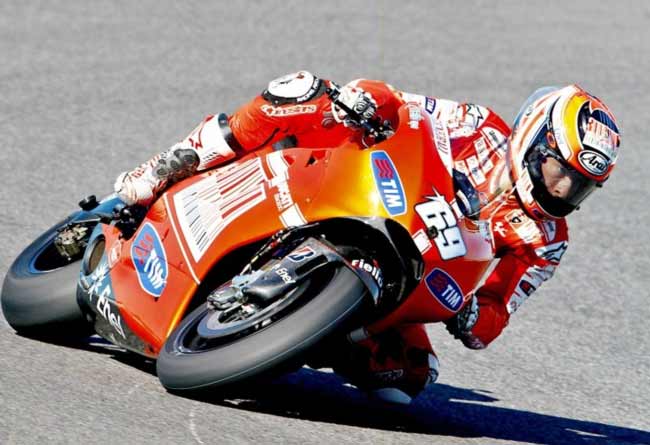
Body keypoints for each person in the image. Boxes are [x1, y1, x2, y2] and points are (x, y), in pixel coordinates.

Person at [114, 71, 621, 403]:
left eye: (581, 187)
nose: (564, 190)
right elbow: (400, 106)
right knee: (300, 90)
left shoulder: (546, 240)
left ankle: (301, 330)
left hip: (410, 281)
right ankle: (173, 164)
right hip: (363, 191)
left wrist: (469, 313)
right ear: (535, 139)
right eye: (560, 171)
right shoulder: (476, 126)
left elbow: (494, 317)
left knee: (410, 380)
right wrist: (363, 101)